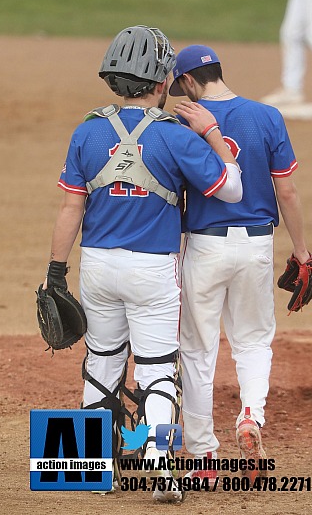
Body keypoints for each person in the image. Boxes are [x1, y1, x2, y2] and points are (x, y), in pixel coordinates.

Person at [41, 27, 242, 502]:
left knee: (102, 362)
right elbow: (230, 188)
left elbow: (71, 208)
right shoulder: (176, 136)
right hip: (152, 271)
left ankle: (87, 470)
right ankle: (163, 472)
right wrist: (211, 136)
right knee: (156, 370)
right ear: (159, 83)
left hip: (96, 268)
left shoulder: (87, 130)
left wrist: (55, 271)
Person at [170, 44, 312, 484]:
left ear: (190, 82)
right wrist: (302, 251)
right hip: (255, 246)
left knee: (197, 350)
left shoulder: (183, 120)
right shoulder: (268, 116)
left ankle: (202, 457)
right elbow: (286, 192)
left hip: (204, 246)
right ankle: (250, 417)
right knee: (253, 342)